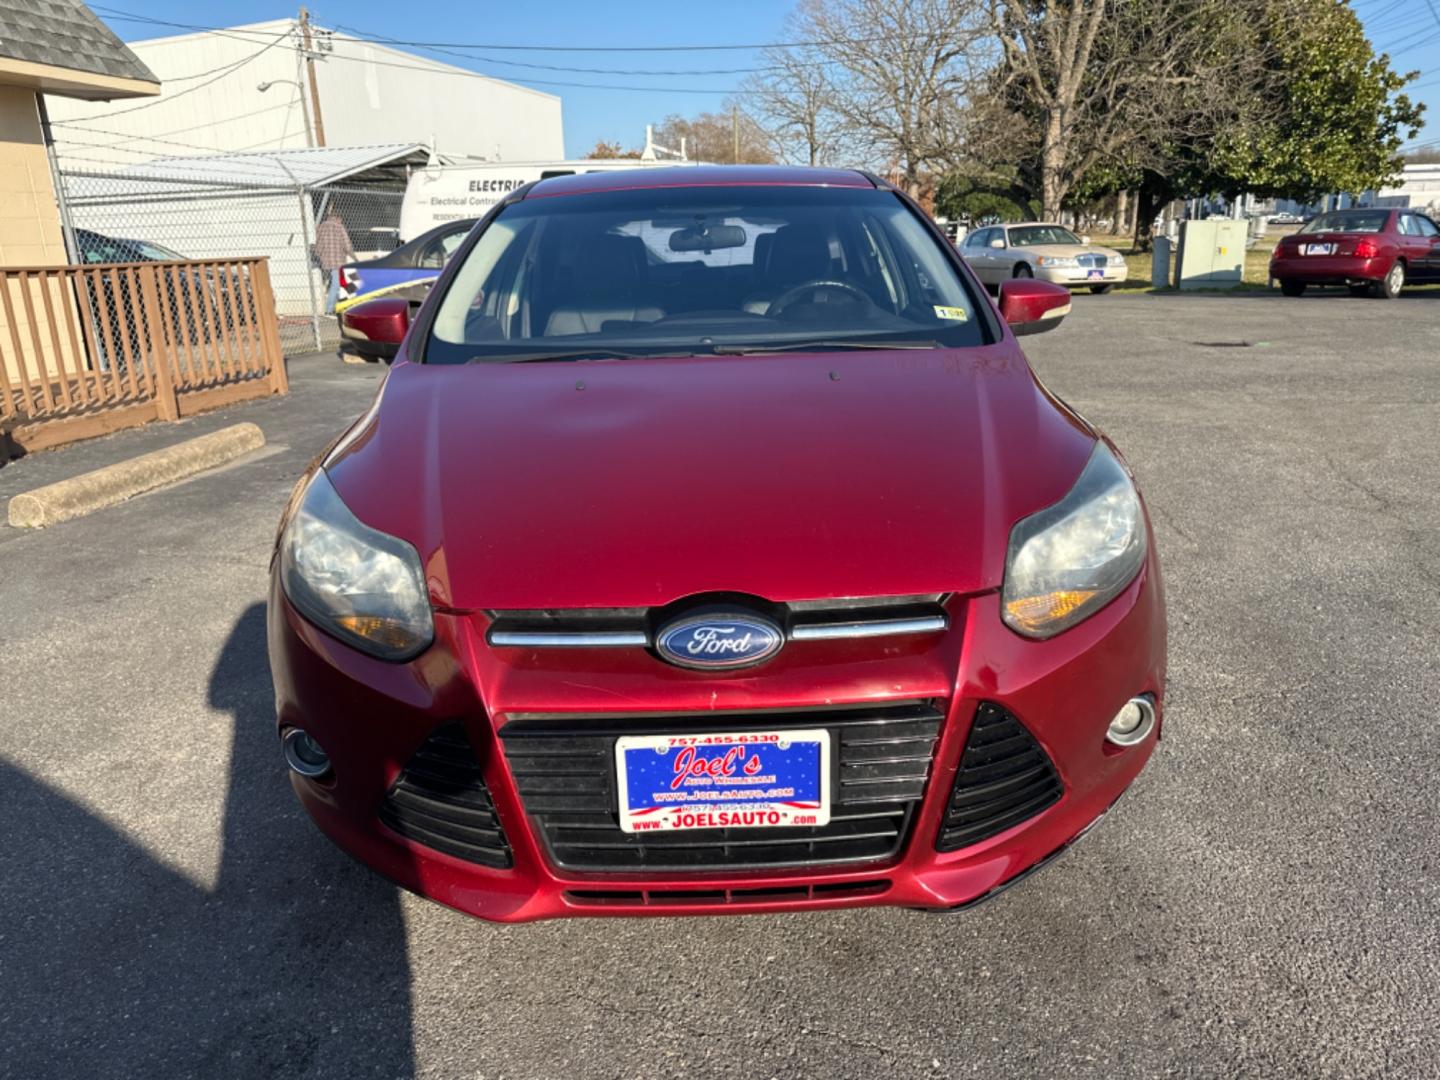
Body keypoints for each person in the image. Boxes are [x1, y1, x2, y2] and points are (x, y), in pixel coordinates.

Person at [313, 207, 354, 314]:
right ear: (339, 218)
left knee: (337, 283)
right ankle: (329, 309)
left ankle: (337, 307)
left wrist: (319, 256)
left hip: (326, 261)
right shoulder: (340, 227)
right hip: (338, 260)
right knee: (336, 284)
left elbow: (318, 245)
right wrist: (353, 256)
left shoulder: (321, 227)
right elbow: (347, 245)